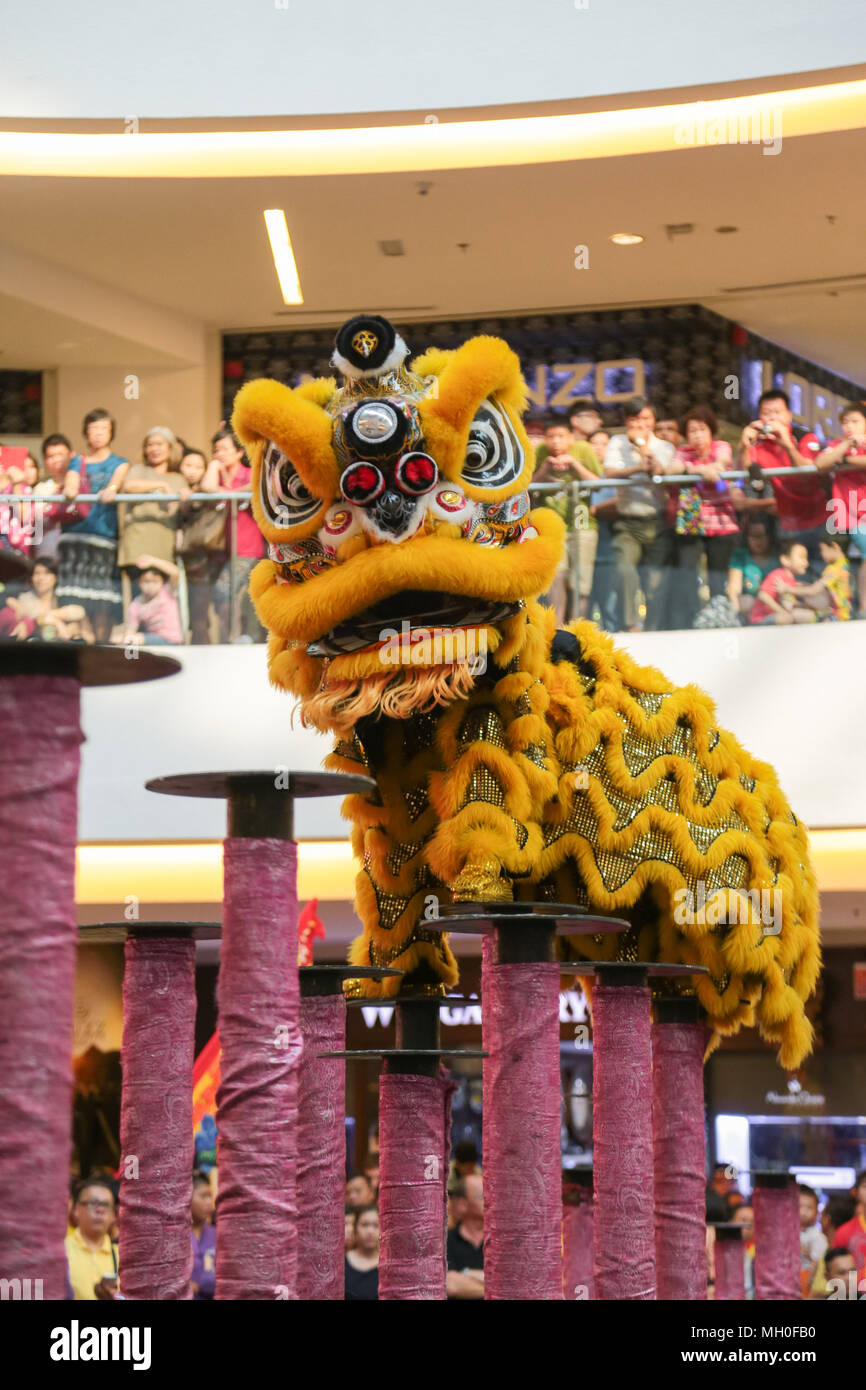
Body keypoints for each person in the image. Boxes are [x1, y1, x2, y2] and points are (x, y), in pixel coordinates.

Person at [56, 408, 129, 642]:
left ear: (111, 433)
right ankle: (79, 649)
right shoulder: (78, 460)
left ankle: (101, 650)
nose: (98, 434)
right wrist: (70, 487)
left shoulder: (120, 463)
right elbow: (71, 481)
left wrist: (113, 489)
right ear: (86, 433)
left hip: (104, 536)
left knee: (102, 602)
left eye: (104, 429)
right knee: (75, 602)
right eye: (93, 429)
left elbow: (116, 484)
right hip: (75, 536)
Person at [603, 396, 675, 631]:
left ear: (653, 420)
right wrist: (636, 468)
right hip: (627, 522)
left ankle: (653, 629)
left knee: (655, 583)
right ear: (626, 420)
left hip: (657, 521)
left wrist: (643, 445)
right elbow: (610, 473)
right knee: (624, 571)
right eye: (635, 419)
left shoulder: (664, 446)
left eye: (645, 418)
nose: (640, 424)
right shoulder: (617, 442)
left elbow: (657, 472)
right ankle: (630, 626)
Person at [737, 389, 826, 573]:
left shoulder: (804, 436)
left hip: (817, 518)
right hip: (785, 521)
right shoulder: (759, 442)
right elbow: (747, 476)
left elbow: (808, 473)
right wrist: (744, 445)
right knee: (788, 575)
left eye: (777, 412)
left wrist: (786, 443)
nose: (771, 418)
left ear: (788, 415)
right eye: (766, 413)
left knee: (820, 571)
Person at [671, 406, 740, 628]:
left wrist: (689, 470)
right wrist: (700, 470)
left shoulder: (722, 446)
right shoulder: (683, 451)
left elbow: (719, 467)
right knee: (688, 572)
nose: (697, 435)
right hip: (691, 514)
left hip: (721, 517)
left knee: (717, 575)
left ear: (711, 430)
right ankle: (693, 619)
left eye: (702, 429)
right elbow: (671, 470)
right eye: (692, 431)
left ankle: (719, 619)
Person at [534, 415, 603, 620]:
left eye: (561, 436)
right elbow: (530, 486)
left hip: (583, 525)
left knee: (580, 582)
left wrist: (575, 465)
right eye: (551, 437)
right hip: (553, 529)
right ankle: (558, 629)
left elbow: (597, 483)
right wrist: (545, 468)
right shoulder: (541, 452)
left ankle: (578, 627)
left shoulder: (583, 450)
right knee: (557, 578)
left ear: (571, 438)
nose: (555, 442)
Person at [202, 427, 265, 642]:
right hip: (219, 551)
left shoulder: (248, 474)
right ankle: (230, 639)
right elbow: (207, 487)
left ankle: (241, 638)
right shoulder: (216, 477)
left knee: (226, 592)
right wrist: (212, 466)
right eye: (216, 450)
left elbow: (254, 486)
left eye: (225, 449)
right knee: (223, 600)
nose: (219, 453)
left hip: (247, 549)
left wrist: (228, 494)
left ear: (239, 452)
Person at [117, 426, 188, 578]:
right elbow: (129, 486)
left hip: (164, 546)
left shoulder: (178, 478)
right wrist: (161, 485)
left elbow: (183, 510)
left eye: (159, 444)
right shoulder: (138, 470)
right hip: (137, 544)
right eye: (150, 445)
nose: (154, 449)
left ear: (170, 448)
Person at [816, 401, 866, 615]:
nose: (849, 426)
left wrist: (845, 460)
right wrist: (845, 447)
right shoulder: (837, 444)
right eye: (845, 422)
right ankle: (863, 609)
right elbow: (821, 463)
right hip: (852, 515)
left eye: (855, 421)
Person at [175, 446, 226, 644]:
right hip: (181, 558)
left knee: (199, 613)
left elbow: (210, 489)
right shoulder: (175, 488)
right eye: (188, 465)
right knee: (182, 612)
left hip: (203, 557)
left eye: (198, 466)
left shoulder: (208, 489)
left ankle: (202, 653)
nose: (192, 470)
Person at [0, 556, 94, 642]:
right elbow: (32, 620)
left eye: (47, 573)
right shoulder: (25, 599)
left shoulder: (61, 599)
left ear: (55, 578)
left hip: (66, 648)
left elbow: (79, 612)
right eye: (37, 573)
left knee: (76, 625)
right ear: (31, 578)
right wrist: (56, 623)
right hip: (37, 647)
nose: (41, 578)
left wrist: (54, 616)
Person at [64, 1177, 119, 1300]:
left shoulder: (123, 1255)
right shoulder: (61, 1252)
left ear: (113, 1215)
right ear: (76, 1209)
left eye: (106, 1205)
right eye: (93, 1203)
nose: (100, 1210)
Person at [115, 556, 183, 646]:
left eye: (155, 582)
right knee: (120, 638)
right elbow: (130, 630)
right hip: (152, 640)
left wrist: (153, 561)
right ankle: (131, 658)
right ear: (138, 582)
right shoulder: (136, 605)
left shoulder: (167, 592)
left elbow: (175, 572)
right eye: (146, 582)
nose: (150, 586)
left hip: (172, 640)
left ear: (162, 581)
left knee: (134, 638)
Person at [788, 531, 852, 621]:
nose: (821, 554)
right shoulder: (847, 565)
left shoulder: (833, 569)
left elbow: (814, 590)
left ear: (835, 547)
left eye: (823, 549)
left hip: (836, 617)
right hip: (849, 615)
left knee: (793, 615)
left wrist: (788, 589)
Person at [727, 517, 779, 622]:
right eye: (752, 536)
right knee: (747, 601)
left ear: (769, 537)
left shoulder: (779, 556)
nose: (757, 541)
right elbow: (733, 589)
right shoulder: (740, 556)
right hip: (750, 612)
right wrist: (736, 617)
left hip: (776, 607)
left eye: (761, 536)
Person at [749, 539, 810, 624]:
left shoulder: (792, 580)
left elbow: (788, 602)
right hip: (761, 619)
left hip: (777, 616)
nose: (806, 562)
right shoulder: (778, 576)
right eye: (801, 557)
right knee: (786, 618)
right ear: (785, 560)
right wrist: (781, 611)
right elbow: (762, 595)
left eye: (806, 558)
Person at [445, 1174, 484, 1299]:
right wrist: (501, 1289)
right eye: (483, 1196)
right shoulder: (446, 1242)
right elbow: (451, 1285)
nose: (492, 1201)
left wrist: (465, 1274)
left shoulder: (502, 1241)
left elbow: (516, 1281)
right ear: (463, 1204)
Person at [810, 1193, 856, 1298]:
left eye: (852, 1272)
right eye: (842, 1273)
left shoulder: (833, 1255)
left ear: (827, 1219)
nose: (849, 1278)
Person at [834, 1168, 866, 1274]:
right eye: (865, 1186)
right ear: (856, 1193)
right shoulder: (844, 1232)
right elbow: (835, 1269)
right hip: (854, 1289)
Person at [190, 1171, 216, 1300]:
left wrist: (197, 1285)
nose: (209, 1202)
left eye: (210, 1196)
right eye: (203, 1196)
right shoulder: (178, 1235)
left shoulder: (216, 1234)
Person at [344, 1204, 380, 1300]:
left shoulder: (387, 1266)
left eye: (376, 1225)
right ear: (355, 1228)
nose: (370, 1231)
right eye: (365, 1225)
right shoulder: (340, 1263)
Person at [798, 1184, 827, 1295]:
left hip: (807, 1278)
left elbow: (816, 1263)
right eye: (800, 1207)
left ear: (817, 1213)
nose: (804, 1212)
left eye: (809, 1208)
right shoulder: (788, 1232)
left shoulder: (817, 1236)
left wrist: (809, 1282)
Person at [731, 1201, 755, 1300]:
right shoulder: (722, 1248)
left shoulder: (759, 1250)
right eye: (743, 1220)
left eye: (752, 1221)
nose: (748, 1225)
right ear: (731, 1222)